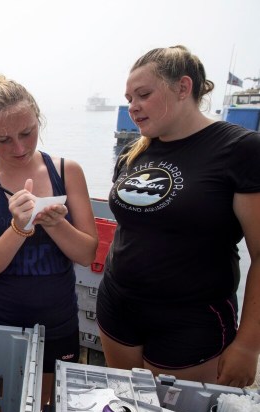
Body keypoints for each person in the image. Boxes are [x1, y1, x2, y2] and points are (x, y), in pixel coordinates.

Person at [96, 45, 260, 388]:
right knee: (126, 407)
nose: (133, 107)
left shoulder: (239, 149)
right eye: (129, 98)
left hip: (190, 321)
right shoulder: (134, 151)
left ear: (183, 88)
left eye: (143, 94)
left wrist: (247, 345)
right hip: (118, 306)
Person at [0, 74, 98, 404]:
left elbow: (86, 252)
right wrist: (19, 228)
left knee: (44, 409)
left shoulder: (67, 172)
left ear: (38, 118)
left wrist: (53, 224)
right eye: (3, 140)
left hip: (55, 321)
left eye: (27, 133)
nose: (18, 148)